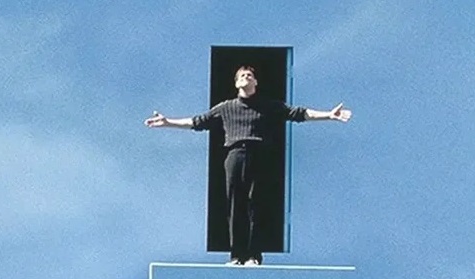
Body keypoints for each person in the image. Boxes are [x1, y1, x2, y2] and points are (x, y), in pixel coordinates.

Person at [144, 65, 351, 266]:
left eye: (250, 75)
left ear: (256, 82)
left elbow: (298, 113)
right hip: (235, 155)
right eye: (242, 75)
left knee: (257, 205)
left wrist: (329, 115)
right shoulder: (225, 107)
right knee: (235, 205)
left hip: (260, 156)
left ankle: (254, 256)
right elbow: (198, 122)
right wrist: (168, 122)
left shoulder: (269, 106)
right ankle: (236, 255)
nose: (246, 77)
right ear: (236, 83)